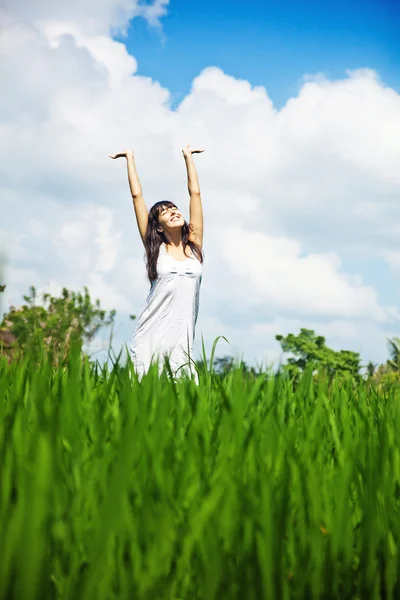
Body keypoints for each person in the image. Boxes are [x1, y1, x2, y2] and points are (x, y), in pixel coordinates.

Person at [109, 145, 205, 382]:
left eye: (174, 208)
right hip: (150, 335)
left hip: (182, 340)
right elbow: (137, 198)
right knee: (147, 399)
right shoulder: (157, 250)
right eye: (165, 212)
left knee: (185, 400)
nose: (173, 211)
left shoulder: (194, 246)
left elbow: (195, 195)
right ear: (158, 227)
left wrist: (188, 157)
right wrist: (130, 158)